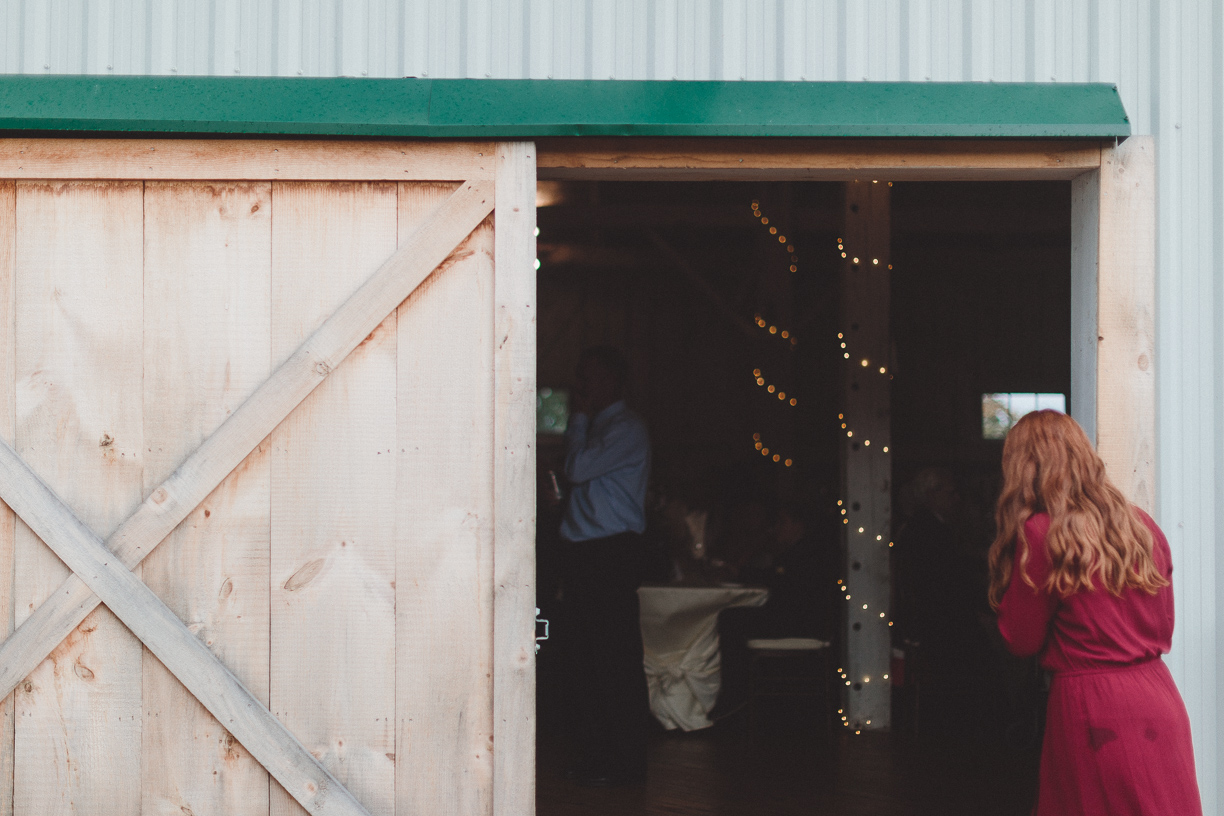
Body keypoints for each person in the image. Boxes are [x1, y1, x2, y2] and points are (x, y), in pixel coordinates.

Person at [989, 410, 1202, 815]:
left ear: (1024, 468)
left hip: (1094, 709)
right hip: (1158, 697)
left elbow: (1020, 639)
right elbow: (1164, 624)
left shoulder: (1042, 532)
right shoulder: (1140, 525)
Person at [559, 346, 652, 787]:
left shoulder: (626, 428)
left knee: (613, 658)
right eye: (582, 377)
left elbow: (578, 469)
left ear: (614, 382)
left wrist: (576, 419)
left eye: (591, 378)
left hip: (609, 553)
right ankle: (598, 757)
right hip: (585, 552)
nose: (583, 386)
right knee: (586, 659)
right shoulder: (604, 427)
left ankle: (625, 761)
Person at [711, 502, 837, 719]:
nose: (776, 528)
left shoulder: (807, 553)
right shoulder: (799, 550)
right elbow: (774, 577)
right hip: (794, 618)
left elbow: (783, 586)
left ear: (799, 525)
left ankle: (736, 694)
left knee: (729, 618)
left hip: (800, 623)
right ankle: (737, 693)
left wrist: (744, 572)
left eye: (782, 522)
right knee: (732, 616)